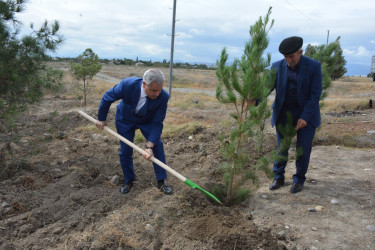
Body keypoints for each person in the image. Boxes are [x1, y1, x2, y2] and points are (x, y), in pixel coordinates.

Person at [95, 69, 173, 195]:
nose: (157, 93)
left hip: (147, 120)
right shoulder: (127, 85)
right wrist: (101, 119)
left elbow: (157, 123)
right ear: (144, 84)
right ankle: (128, 180)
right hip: (125, 119)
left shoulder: (163, 97)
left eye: (159, 90)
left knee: (157, 145)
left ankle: (161, 182)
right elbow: (107, 98)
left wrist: (149, 146)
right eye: (154, 90)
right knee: (125, 150)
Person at [268, 36, 322, 193]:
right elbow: (267, 88)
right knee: (281, 149)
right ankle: (278, 177)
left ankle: (299, 179)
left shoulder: (313, 66)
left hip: (306, 115)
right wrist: (254, 99)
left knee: (303, 149)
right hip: (283, 114)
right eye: (285, 57)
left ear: (300, 52)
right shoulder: (277, 66)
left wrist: (305, 117)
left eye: (291, 57)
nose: (288, 60)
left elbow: (315, 95)